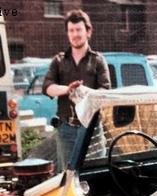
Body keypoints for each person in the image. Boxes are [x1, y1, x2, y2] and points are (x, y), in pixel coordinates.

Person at [42, 9, 110, 171]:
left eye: (79, 29)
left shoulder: (98, 60)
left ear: (88, 31)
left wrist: (85, 92)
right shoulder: (58, 61)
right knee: (69, 176)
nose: (75, 34)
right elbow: (47, 87)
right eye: (71, 30)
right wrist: (67, 89)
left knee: (96, 174)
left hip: (92, 129)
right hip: (66, 130)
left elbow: (106, 91)